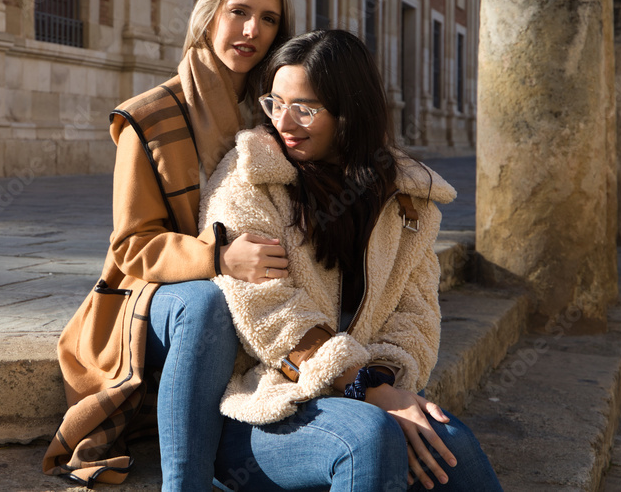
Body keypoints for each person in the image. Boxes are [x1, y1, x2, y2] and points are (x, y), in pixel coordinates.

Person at [199, 29, 502, 491]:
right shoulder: (249, 181)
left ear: (349, 114)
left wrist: (380, 382)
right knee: (369, 435)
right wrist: (367, 390)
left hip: (363, 394)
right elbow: (271, 315)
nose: (284, 120)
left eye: (306, 108)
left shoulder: (407, 202)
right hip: (266, 406)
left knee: (451, 442)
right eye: (275, 102)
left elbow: (417, 319)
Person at [42, 0, 296, 490]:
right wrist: (219, 257)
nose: (252, 30)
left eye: (268, 19)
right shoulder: (148, 117)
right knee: (205, 304)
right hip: (154, 296)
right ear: (209, 16)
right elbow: (131, 246)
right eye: (239, 12)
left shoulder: (274, 119)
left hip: (260, 297)